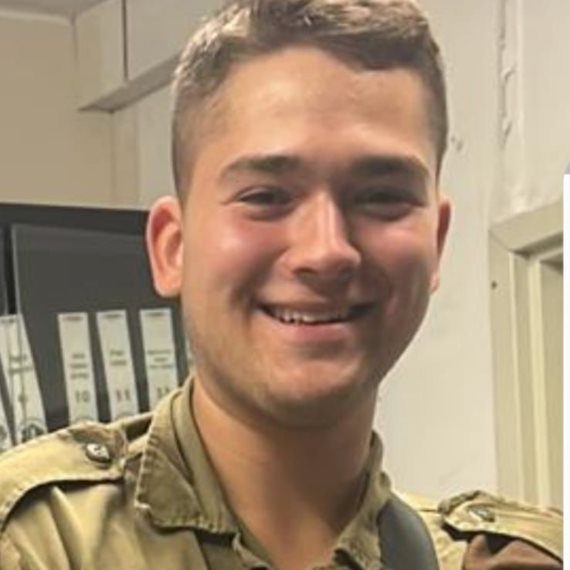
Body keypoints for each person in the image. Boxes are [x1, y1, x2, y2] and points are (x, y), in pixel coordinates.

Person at [0, 0, 562, 568]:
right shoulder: (36, 546)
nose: (326, 251)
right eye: (265, 197)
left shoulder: (507, 559)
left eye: (382, 197)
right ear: (173, 247)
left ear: (436, 241)